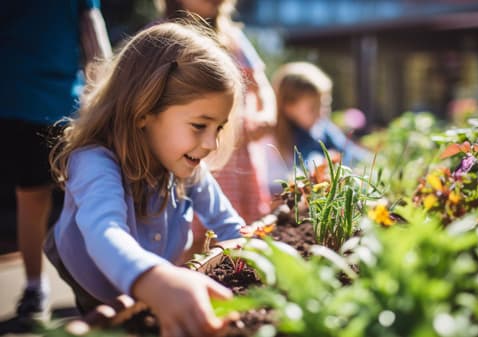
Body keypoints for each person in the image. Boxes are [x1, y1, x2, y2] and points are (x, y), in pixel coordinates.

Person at [44, 22, 245, 336]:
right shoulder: (94, 161)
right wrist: (153, 279)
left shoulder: (185, 164)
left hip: (153, 265)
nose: (211, 144)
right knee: (112, 320)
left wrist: (255, 253)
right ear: (143, 112)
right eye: (199, 125)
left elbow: (229, 224)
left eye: (218, 128)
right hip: (90, 272)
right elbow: (104, 232)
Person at [0, 0, 111, 322]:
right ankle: (39, 287)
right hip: (18, 102)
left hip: (62, 105)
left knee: (82, 194)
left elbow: (93, 35)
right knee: (37, 197)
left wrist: (105, 94)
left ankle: (96, 283)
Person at [161, 0, 277, 223]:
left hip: (238, 156)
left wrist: (266, 115)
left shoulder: (233, 38)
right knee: (193, 236)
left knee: (241, 230)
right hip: (190, 154)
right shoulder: (163, 36)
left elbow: (260, 84)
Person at [263, 62, 371, 195]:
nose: (321, 113)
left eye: (325, 105)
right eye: (312, 108)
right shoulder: (277, 140)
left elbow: (351, 152)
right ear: (288, 107)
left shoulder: (322, 128)